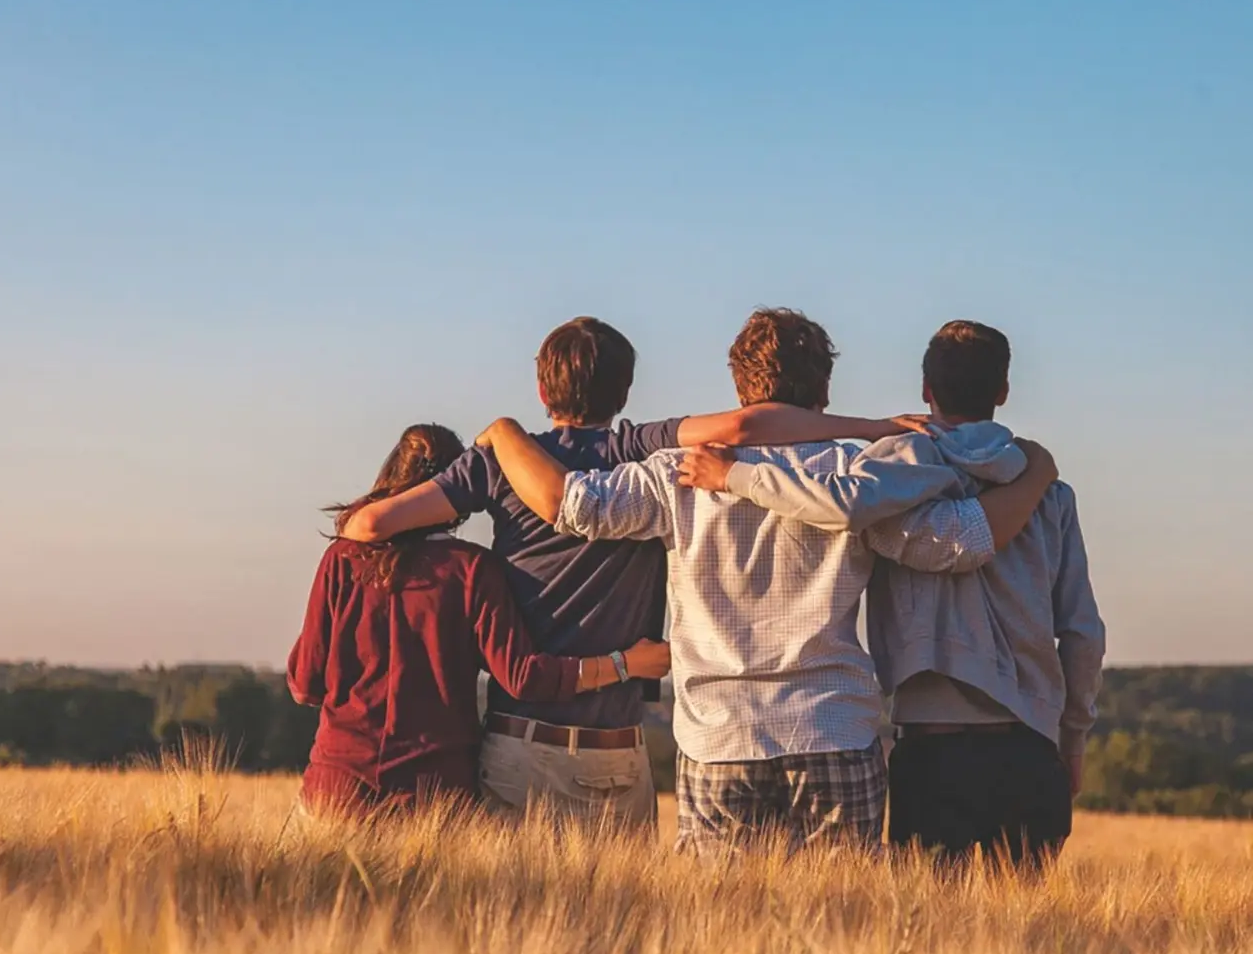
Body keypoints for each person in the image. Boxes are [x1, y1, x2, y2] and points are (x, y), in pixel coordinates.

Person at [479, 308, 1060, 855]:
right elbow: (959, 542)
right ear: (824, 392)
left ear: (739, 390)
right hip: (833, 728)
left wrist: (504, 434)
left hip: (719, 736)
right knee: (844, 929)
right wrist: (1036, 474)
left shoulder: (677, 474)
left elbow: (574, 506)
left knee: (722, 932)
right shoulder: (858, 476)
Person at [339, 316, 926, 830]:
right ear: (625, 392)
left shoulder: (500, 462)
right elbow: (747, 429)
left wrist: (497, 438)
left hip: (525, 739)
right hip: (628, 745)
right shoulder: (639, 448)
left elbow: (368, 527)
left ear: (543, 390)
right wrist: (873, 428)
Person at [678, 320, 1105, 869]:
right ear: (1002, 391)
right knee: (1025, 941)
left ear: (926, 389)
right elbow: (1082, 633)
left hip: (933, 750)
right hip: (1031, 746)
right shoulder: (1049, 493)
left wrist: (737, 476)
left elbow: (843, 506)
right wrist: (1072, 741)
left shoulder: (888, 476)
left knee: (923, 937)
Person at [286, 423, 672, 817]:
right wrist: (626, 664)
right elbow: (523, 677)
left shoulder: (342, 560)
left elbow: (305, 684)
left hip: (336, 787)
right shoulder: (472, 570)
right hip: (435, 796)